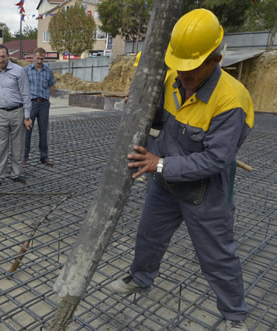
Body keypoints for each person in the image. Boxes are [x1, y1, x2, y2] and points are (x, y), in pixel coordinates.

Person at [108, 9, 253, 331]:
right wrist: (142, 103)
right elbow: (160, 120)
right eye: (180, 67)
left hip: (205, 193)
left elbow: (216, 159)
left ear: (215, 59)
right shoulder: (174, 78)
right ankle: (141, 279)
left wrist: (158, 163)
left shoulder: (231, 100)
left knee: (217, 257)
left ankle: (235, 316)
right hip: (164, 182)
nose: (183, 75)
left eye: (192, 68)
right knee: (149, 237)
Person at [0, 45, 32, 188]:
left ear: (8, 56)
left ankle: (16, 174)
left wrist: (27, 116)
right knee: (1, 146)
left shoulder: (18, 71)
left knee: (18, 145)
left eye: (3, 56)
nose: (1, 60)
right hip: (0, 112)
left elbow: (26, 94)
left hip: (17, 112)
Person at [24, 47, 56, 166]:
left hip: (43, 103)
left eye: (42, 59)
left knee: (43, 131)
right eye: (37, 58)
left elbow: (51, 86)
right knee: (27, 131)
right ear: (33, 57)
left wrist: (47, 99)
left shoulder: (48, 70)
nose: (39, 61)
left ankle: (44, 156)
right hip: (31, 103)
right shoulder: (26, 70)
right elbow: (22, 87)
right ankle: (24, 157)